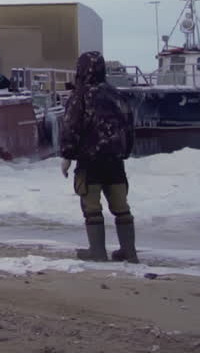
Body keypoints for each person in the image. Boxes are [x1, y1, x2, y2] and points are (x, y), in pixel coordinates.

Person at [59, 51, 138, 262]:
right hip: (115, 161)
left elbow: (70, 127)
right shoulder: (116, 94)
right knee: (121, 207)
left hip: (89, 160)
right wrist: (126, 151)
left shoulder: (80, 96)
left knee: (92, 207)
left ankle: (97, 251)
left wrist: (67, 156)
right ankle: (129, 251)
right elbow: (129, 125)